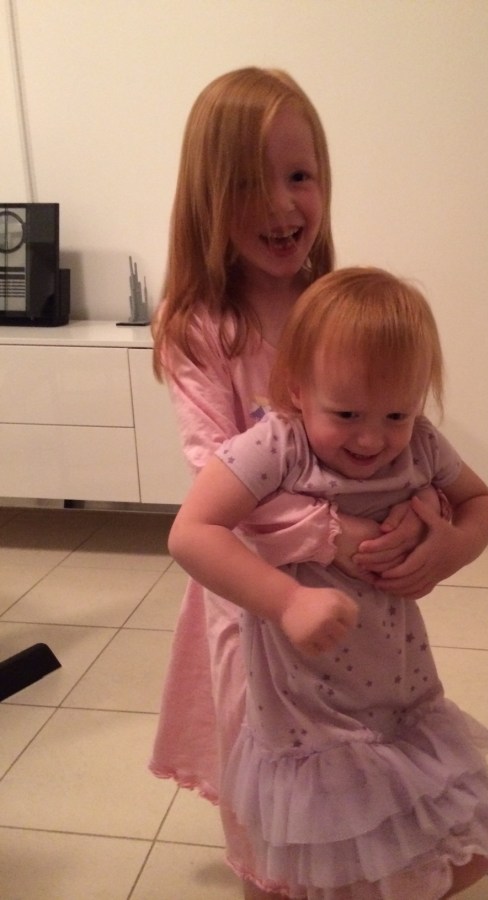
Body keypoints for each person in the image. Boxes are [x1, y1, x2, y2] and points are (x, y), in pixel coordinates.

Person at [149, 68, 451, 849]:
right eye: (251, 183)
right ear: (208, 196)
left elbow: (397, 430)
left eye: (299, 176)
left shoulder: (335, 306)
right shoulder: (199, 326)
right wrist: (335, 536)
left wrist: (423, 522)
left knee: (353, 766)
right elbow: (214, 475)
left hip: (356, 606)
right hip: (254, 599)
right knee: (267, 790)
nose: (282, 205)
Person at [169, 267, 488, 900]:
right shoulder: (276, 446)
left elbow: (481, 502)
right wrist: (287, 600)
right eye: (347, 413)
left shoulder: (421, 445)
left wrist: (453, 548)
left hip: (399, 688)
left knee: (438, 844)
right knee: (319, 853)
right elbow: (191, 532)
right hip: (306, 709)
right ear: (298, 390)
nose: (374, 438)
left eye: (397, 413)